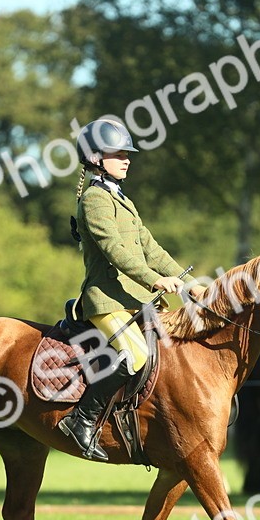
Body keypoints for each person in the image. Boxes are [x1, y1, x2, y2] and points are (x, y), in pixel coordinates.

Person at [59, 117, 205, 461]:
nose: (127, 158)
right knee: (135, 356)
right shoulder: (94, 200)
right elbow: (115, 250)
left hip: (134, 300)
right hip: (106, 301)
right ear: (95, 157)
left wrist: (185, 283)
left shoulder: (121, 198)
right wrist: (154, 280)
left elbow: (149, 247)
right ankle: (81, 421)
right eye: (119, 153)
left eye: (128, 153)